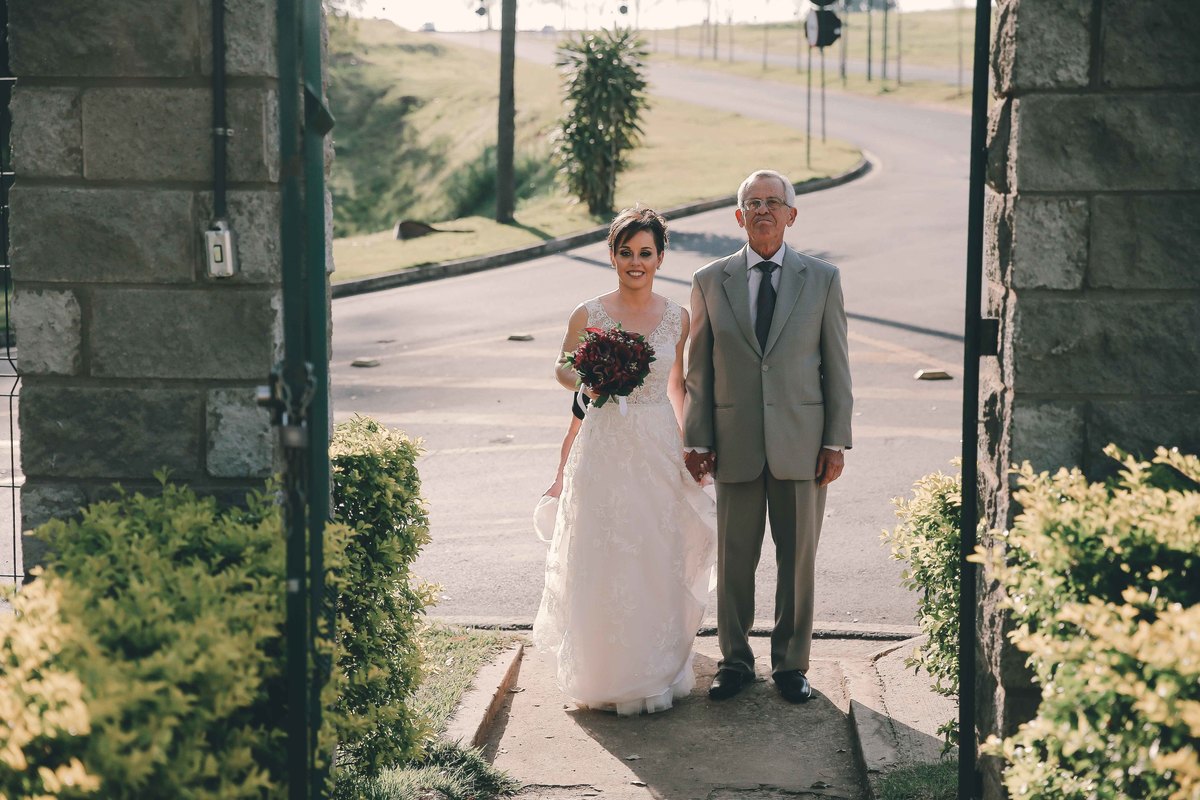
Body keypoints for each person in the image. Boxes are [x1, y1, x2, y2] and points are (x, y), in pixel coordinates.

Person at [533, 207, 716, 716]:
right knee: (605, 549)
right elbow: (561, 366)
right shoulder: (588, 312)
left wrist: (690, 447)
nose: (636, 262)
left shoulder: (678, 318)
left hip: (657, 443)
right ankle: (603, 670)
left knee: (657, 550)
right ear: (612, 256)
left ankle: (656, 666)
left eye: (645, 253)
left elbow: (677, 385)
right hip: (604, 443)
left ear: (660, 257)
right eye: (626, 252)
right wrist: (587, 378)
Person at [684, 169, 853, 704]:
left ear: (791, 215)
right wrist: (697, 440)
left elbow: (837, 366)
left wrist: (835, 441)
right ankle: (734, 662)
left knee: (797, 562)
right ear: (739, 216)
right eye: (753, 203)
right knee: (734, 561)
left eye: (773, 202)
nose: (763, 210)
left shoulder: (822, 278)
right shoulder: (710, 280)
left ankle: (791, 666)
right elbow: (699, 370)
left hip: (803, 445)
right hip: (733, 444)